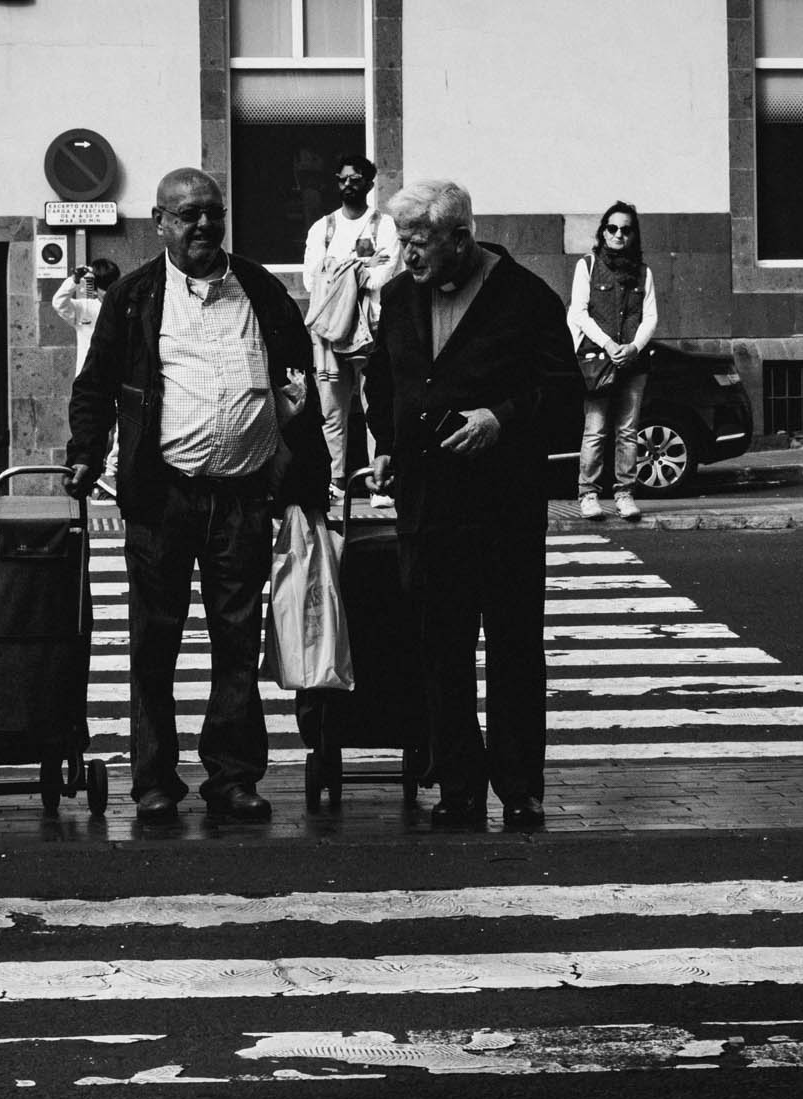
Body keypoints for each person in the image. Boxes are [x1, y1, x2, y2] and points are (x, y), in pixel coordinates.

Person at [65, 167, 328, 823]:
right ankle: (155, 781)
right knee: (155, 645)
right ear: (160, 222)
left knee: (236, 645)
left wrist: (308, 482)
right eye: (188, 215)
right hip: (162, 500)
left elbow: (301, 391)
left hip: (242, 499)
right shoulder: (134, 297)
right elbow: (95, 389)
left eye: (213, 212)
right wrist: (82, 456)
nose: (205, 224)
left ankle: (233, 778)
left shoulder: (263, 292)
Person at [365, 180, 581, 831]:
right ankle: (457, 784)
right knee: (440, 647)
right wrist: (384, 442)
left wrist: (501, 418)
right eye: (402, 241)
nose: (408, 254)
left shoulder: (524, 298)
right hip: (428, 503)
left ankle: (520, 787)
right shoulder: (399, 295)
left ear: (461, 237)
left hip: (503, 506)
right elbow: (383, 375)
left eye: (420, 241)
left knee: (513, 644)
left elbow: (565, 396)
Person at [303, 153, 400, 508]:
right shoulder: (322, 227)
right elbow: (311, 279)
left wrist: (338, 268)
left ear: (370, 183)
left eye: (356, 179)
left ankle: (379, 483)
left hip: (371, 331)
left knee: (376, 405)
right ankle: (337, 482)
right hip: (329, 333)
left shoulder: (384, 226)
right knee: (332, 411)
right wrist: (359, 267)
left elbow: (385, 276)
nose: (348, 185)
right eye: (343, 179)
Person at [567, 202, 657, 522]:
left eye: (626, 229)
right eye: (612, 228)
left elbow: (650, 317)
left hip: (633, 363)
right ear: (603, 231)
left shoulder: (644, 273)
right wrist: (607, 344)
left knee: (628, 430)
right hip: (597, 362)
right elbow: (577, 312)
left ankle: (624, 493)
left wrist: (632, 347)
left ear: (633, 234)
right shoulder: (588, 266)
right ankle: (588, 494)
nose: (619, 234)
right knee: (595, 429)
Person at [52, 258, 121, 498]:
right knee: (92, 428)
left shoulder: (120, 306)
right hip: (89, 381)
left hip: (117, 377)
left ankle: (110, 474)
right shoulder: (84, 308)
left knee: (121, 428)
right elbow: (59, 303)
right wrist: (74, 279)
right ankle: (94, 476)